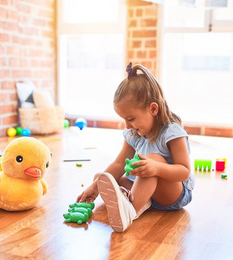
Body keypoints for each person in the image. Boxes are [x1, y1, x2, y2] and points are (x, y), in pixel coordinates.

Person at [77, 62, 195, 232]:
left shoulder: (172, 132)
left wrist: (156, 168)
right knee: (103, 178)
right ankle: (134, 201)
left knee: (152, 159)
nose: (127, 126)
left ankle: (129, 210)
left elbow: (184, 171)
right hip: (147, 192)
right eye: (124, 120)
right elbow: (118, 165)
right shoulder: (133, 134)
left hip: (173, 194)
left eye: (131, 119)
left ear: (153, 109)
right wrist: (94, 186)